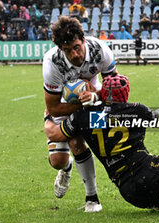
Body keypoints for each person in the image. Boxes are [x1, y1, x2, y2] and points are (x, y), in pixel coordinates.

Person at [44, 74, 159, 217]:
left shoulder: (84, 116)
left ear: (103, 92)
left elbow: (54, 134)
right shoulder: (137, 110)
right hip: (147, 171)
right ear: (125, 93)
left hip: (128, 191)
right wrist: (156, 112)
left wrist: (47, 115)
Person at [42, 16, 118, 212]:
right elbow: (53, 107)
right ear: (60, 49)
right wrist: (81, 106)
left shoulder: (100, 50)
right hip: (66, 103)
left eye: (77, 47)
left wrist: (96, 96)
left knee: (94, 141)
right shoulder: (52, 62)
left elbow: (115, 89)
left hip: (95, 95)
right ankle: (66, 168)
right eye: (67, 50)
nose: (74, 54)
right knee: (57, 161)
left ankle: (92, 199)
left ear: (83, 39)